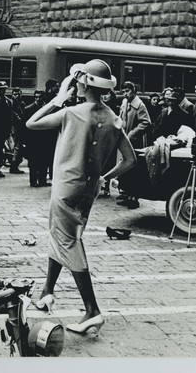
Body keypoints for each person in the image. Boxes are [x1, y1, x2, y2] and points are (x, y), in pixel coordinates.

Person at [26, 59, 136, 335]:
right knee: (62, 236)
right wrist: (105, 177)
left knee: (68, 241)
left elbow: (31, 123)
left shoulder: (71, 113)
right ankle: (47, 292)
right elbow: (130, 159)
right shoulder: (114, 118)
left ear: (84, 84)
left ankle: (92, 310)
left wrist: (59, 98)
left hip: (65, 187)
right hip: (88, 190)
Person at [117, 81, 150, 209]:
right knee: (126, 169)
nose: (125, 94)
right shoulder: (125, 103)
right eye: (124, 91)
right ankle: (126, 194)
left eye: (128, 91)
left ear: (134, 91)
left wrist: (131, 134)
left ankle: (134, 198)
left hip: (135, 142)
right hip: (124, 140)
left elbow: (146, 123)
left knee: (134, 170)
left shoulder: (140, 105)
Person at [23, 90, 52, 187]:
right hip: (33, 139)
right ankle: (33, 180)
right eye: (36, 97)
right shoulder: (28, 109)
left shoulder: (47, 109)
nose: (38, 99)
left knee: (44, 160)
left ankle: (42, 180)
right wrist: (25, 140)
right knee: (33, 161)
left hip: (45, 138)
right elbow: (24, 126)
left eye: (40, 97)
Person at [9, 87, 26, 174]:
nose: (16, 96)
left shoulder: (21, 103)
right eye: (15, 94)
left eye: (18, 94)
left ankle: (15, 165)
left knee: (18, 147)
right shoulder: (11, 103)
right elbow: (14, 115)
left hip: (19, 127)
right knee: (16, 147)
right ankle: (13, 165)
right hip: (14, 127)